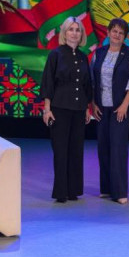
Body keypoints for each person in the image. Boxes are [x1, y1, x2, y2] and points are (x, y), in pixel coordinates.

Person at [40, 16, 92, 203]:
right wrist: (47, 109)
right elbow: (48, 82)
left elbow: (86, 84)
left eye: (78, 30)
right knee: (61, 151)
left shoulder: (83, 57)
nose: (74, 33)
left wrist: (87, 108)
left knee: (76, 150)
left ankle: (73, 190)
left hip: (78, 110)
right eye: (71, 29)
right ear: (64, 32)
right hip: (59, 109)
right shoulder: (55, 54)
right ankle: (61, 191)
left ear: (82, 34)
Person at [90, 18, 129, 205]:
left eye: (121, 33)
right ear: (108, 32)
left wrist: (125, 105)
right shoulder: (99, 53)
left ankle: (119, 192)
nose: (117, 35)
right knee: (103, 147)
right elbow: (93, 81)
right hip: (101, 108)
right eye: (114, 31)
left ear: (125, 36)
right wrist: (93, 104)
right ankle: (106, 188)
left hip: (121, 109)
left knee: (118, 149)